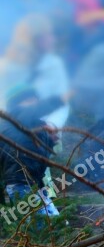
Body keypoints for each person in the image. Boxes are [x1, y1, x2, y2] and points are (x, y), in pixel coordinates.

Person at [0, 85, 65, 218]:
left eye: (35, 99)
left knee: (55, 226)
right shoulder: (15, 118)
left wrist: (50, 140)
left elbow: (40, 157)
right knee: (43, 228)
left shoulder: (33, 125)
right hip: (20, 183)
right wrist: (64, 97)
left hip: (35, 184)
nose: (35, 103)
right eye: (30, 99)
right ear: (17, 103)